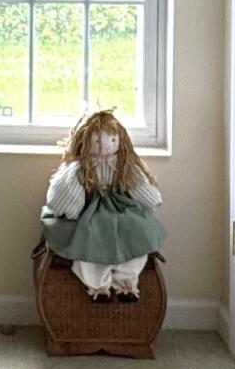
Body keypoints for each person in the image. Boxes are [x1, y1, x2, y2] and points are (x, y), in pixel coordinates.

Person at [40, 108, 165, 298]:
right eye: (98, 141)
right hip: (89, 210)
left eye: (112, 140)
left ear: (120, 140)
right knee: (87, 241)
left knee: (135, 235)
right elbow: (66, 187)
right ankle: (99, 286)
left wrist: (150, 200)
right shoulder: (80, 167)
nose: (105, 146)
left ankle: (126, 283)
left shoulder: (124, 166)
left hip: (121, 208)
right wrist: (70, 208)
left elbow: (137, 183)